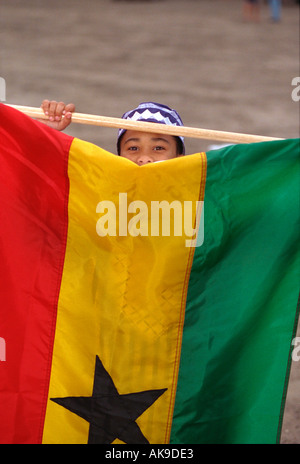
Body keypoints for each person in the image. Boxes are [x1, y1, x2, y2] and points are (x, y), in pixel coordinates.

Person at [39, 100, 185, 166]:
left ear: (181, 159)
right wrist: (44, 133)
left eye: (159, 148)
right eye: (133, 148)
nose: (144, 159)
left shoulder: (198, 200)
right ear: (119, 156)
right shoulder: (99, 192)